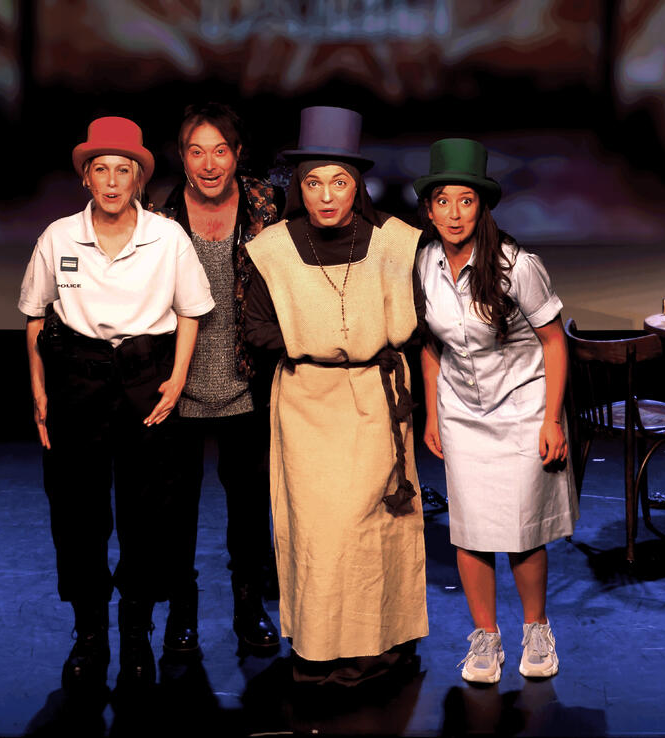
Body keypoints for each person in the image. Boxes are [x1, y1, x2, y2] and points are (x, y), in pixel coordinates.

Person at [18, 116, 214, 691]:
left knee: (146, 512)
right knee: (77, 512)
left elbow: (191, 312)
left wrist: (177, 380)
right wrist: (38, 393)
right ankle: (89, 632)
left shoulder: (167, 237)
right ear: (85, 178)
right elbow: (35, 318)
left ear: (137, 178)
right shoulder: (57, 237)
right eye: (99, 169)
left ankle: (135, 630)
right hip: (77, 379)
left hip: (145, 376)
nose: (110, 181)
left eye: (121, 170)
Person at [244, 106, 429, 685]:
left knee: (376, 527)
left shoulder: (394, 244)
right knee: (319, 530)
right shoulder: (272, 249)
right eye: (313, 183)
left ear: (358, 185)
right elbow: (255, 327)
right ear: (300, 187)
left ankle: (381, 643)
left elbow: (422, 321)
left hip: (375, 399)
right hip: (309, 401)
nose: (326, 196)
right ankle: (321, 646)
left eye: (339, 182)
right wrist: (317, 342)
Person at [414, 138, 578, 683]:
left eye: (466, 200)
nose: (454, 213)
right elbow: (431, 345)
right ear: (430, 207)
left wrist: (552, 418)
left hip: (524, 408)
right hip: (462, 411)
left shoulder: (516, 266)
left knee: (522, 529)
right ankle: (485, 637)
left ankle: (536, 627)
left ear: (481, 206)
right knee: (470, 529)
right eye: (444, 201)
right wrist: (433, 414)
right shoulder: (425, 265)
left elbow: (555, 343)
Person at [155, 102, 281, 654]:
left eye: (220, 150)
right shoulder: (160, 219)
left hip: (247, 380)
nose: (209, 163)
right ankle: (182, 615)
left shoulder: (266, 207)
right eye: (196, 151)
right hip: (177, 387)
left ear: (238, 155)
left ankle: (249, 608)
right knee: (176, 510)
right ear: (181, 157)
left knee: (249, 510)